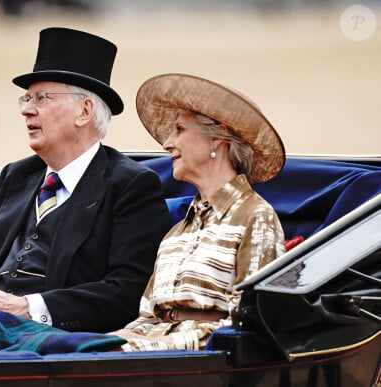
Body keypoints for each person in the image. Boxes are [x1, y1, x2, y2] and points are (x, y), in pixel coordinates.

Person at [0, 27, 171, 333]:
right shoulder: (16, 175)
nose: (27, 110)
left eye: (42, 98)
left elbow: (128, 290)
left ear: (84, 111)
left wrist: (28, 308)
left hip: (50, 340)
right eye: (26, 99)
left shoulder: (131, 185)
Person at [109, 73, 286, 351]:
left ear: (219, 137)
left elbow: (251, 324)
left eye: (179, 129)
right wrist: (114, 339)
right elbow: (147, 318)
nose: (167, 143)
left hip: (203, 364)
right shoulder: (176, 232)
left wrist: (162, 343)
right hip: (155, 358)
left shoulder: (256, 217)